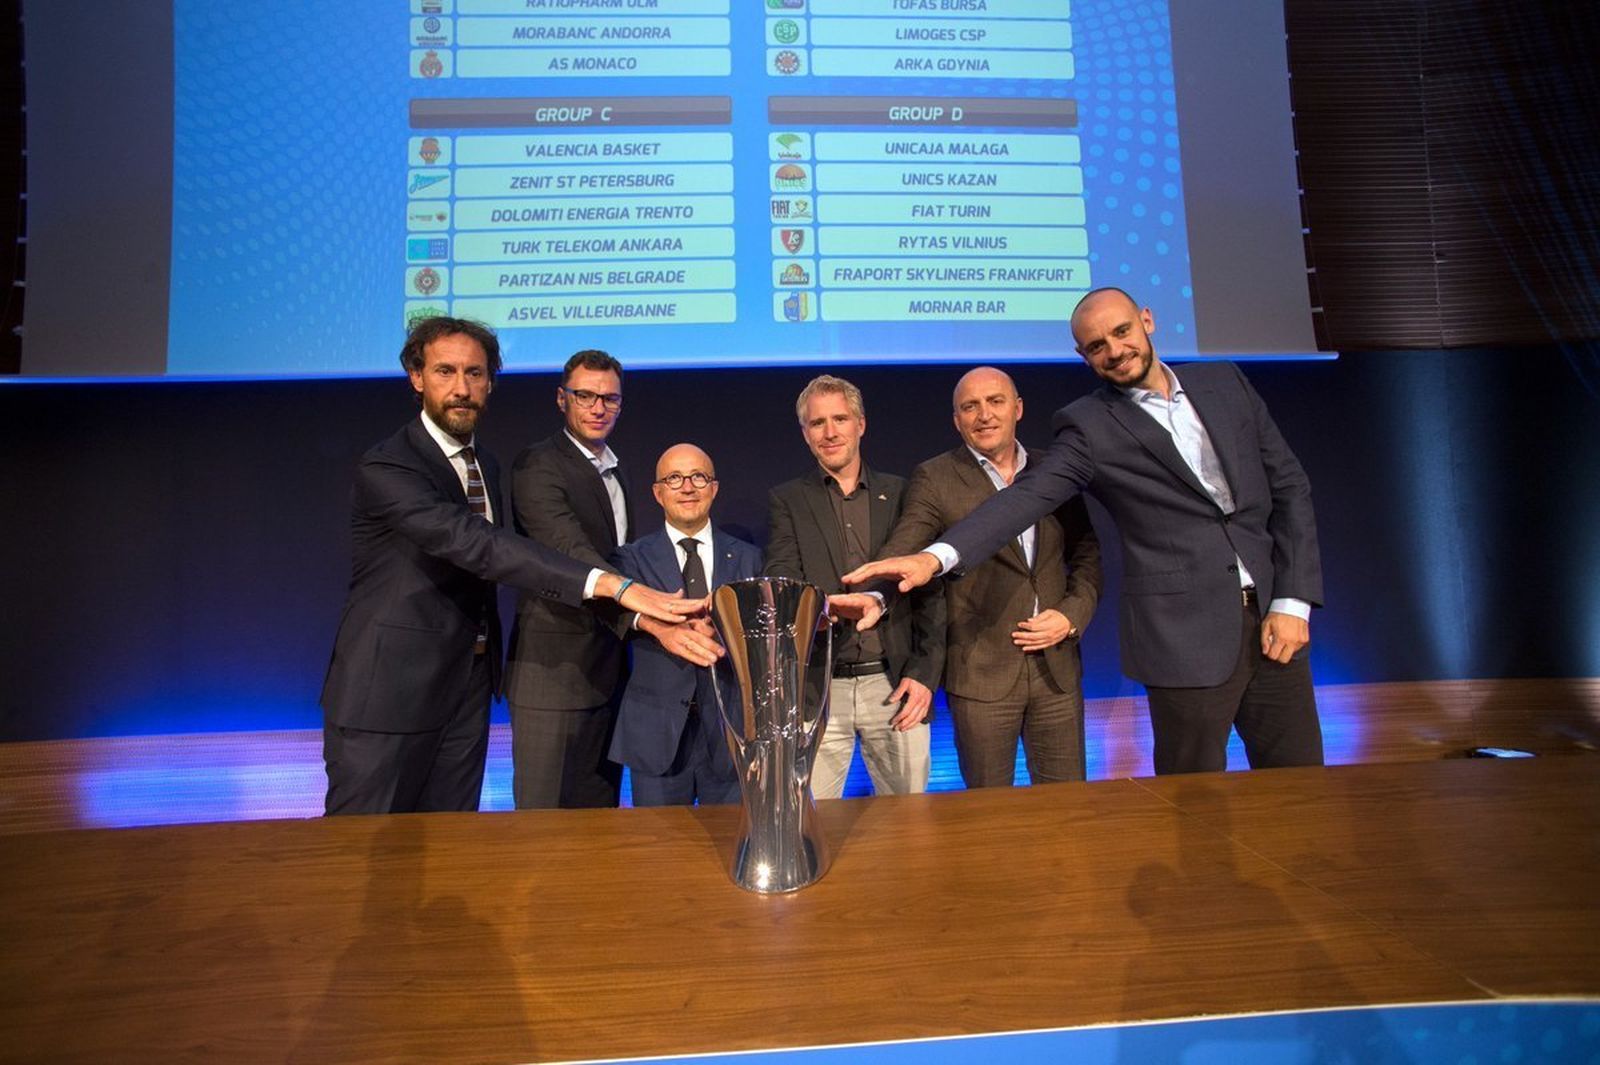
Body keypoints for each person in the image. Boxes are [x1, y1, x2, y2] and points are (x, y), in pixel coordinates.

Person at [847, 288, 1325, 776]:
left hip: (1276, 623)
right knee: (1196, 800)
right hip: (1185, 639)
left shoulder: (1226, 381)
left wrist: (1292, 600)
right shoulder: (1089, 426)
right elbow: (1022, 500)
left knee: (1301, 788)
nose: (1115, 351)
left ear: (1147, 320)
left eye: (1121, 332)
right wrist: (933, 560)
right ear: (1083, 356)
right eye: (1097, 346)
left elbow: (1289, 487)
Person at [319, 317, 697, 815]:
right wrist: (621, 590)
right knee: (360, 859)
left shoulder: (485, 465)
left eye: (475, 374)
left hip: (466, 692)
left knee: (452, 849)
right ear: (416, 377)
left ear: (490, 383)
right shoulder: (389, 466)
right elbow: (478, 544)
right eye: (445, 371)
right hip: (388, 695)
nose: (462, 388)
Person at [880, 366, 1102, 787]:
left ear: (1017, 408)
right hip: (981, 675)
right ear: (956, 420)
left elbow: (1087, 554)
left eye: (995, 401)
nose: (984, 414)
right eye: (970, 406)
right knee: (985, 813)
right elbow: (907, 550)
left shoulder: (1054, 469)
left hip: (1057, 673)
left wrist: (1071, 615)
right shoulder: (936, 477)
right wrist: (876, 593)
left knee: (1068, 811)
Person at [765, 374, 946, 798]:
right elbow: (783, 581)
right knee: (817, 823)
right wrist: (821, 612)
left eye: (840, 419)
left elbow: (931, 591)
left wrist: (924, 675)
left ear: (860, 424)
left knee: (909, 823)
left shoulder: (904, 493)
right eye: (817, 423)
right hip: (820, 689)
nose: (830, 432)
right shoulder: (787, 500)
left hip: (896, 685)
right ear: (805, 434)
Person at [504, 350, 633, 809]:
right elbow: (570, 553)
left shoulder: (615, 473)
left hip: (609, 675)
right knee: (542, 827)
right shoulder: (538, 465)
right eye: (586, 396)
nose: (598, 408)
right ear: (562, 399)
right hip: (551, 676)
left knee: (599, 825)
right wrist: (645, 606)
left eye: (610, 398)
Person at [610, 444, 759, 807]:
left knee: (729, 850)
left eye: (698, 477)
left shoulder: (749, 557)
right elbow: (615, 621)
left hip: (729, 734)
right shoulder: (629, 560)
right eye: (674, 478)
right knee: (659, 853)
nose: (688, 487)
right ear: (657, 493)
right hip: (656, 735)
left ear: (714, 488)